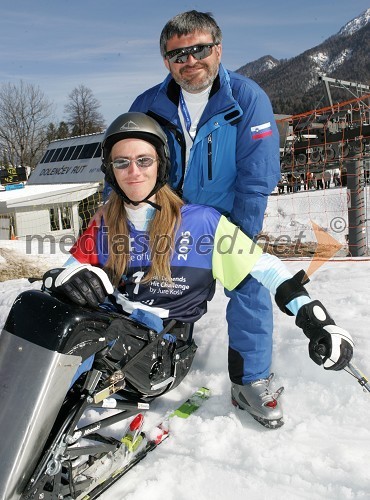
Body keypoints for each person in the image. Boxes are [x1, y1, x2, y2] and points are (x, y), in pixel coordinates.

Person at [45, 113, 354, 429]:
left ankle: (42, 424)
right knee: (37, 309)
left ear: (161, 165)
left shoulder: (200, 223)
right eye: (122, 163)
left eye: (143, 160)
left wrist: (317, 322)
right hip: (107, 334)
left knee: (76, 332)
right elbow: (67, 273)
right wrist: (65, 282)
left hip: (157, 354)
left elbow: (268, 269)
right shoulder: (105, 226)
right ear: (111, 171)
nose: (133, 171)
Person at [127, 10, 283, 424]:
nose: (190, 60)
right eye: (178, 54)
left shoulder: (247, 100)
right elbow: (126, 169)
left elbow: (255, 177)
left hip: (228, 219)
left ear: (218, 49)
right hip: (170, 219)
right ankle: (145, 366)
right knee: (150, 285)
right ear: (166, 60)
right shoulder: (148, 105)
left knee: (248, 286)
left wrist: (242, 242)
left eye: (199, 49)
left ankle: (251, 380)